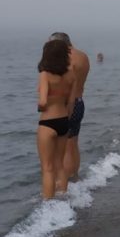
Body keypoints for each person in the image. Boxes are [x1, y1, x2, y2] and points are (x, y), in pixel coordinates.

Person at [48, 32, 90, 185]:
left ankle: (64, 183)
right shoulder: (83, 56)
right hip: (79, 102)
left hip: (65, 105)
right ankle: (74, 177)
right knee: (73, 143)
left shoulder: (63, 59)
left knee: (61, 146)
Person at [36, 39, 76, 199]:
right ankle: (62, 198)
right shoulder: (71, 74)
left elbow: (43, 101)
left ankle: (48, 204)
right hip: (63, 121)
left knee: (47, 167)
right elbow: (71, 104)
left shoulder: (45, 74)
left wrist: (40, 107)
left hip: (47, 122)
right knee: (60, 165)